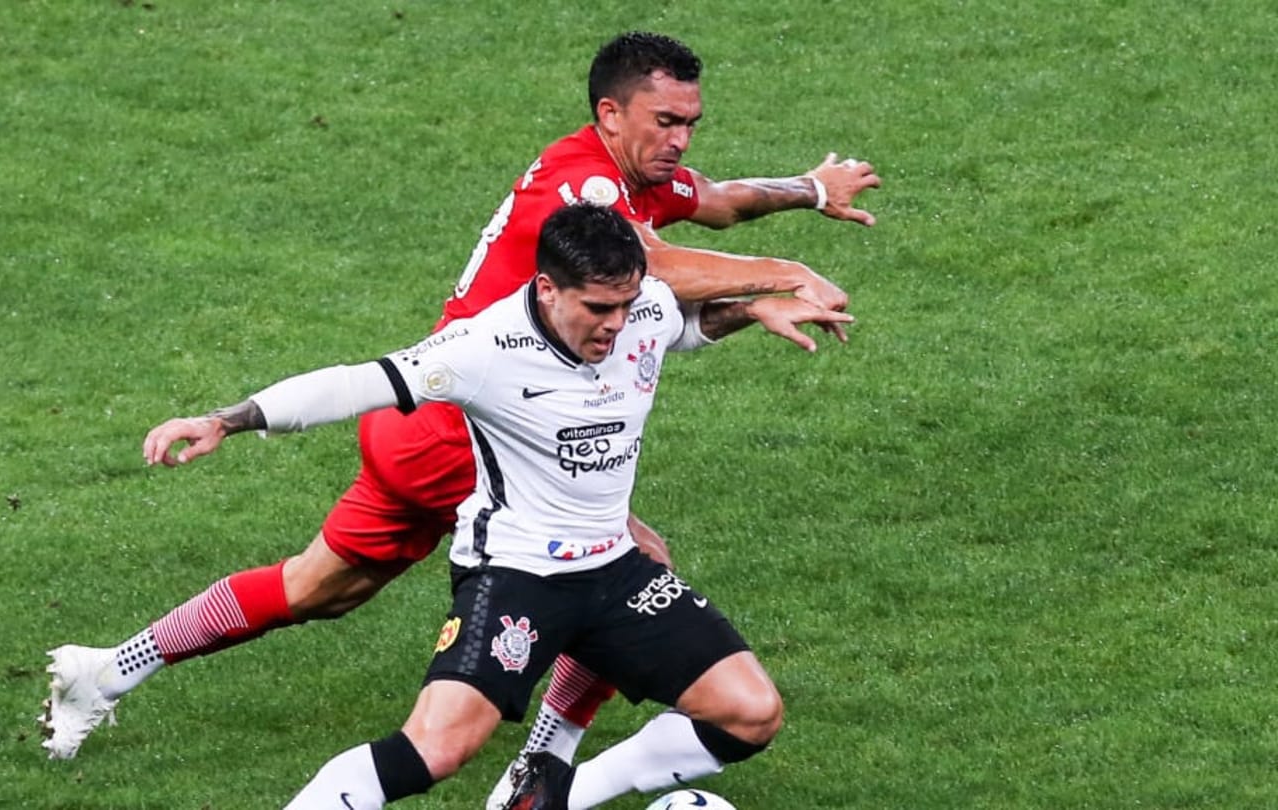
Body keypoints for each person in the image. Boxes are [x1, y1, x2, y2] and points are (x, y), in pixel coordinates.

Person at [39, 30, 880, 762]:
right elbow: (652, 268)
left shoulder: (628, 176)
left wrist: (809, 190)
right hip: (472, 429)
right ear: (610, 113)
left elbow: (724, 203)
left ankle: (106, 669)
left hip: (423, 421)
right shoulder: (583, 190)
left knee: (318, 588)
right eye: (666, 122)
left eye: (690, 122)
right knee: (629, 565)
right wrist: (789, 275)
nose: (680, 138)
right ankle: (539, 772)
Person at [143, 204, 854, 808]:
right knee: (437, 748)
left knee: (751, 714)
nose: (616, 326)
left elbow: (681, 327)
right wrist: (225, 420)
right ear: (547, 289)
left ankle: (557, 792)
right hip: (517, 573)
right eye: (598, 310)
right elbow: (353, 384)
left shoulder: (641, 310)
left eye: (627, 305)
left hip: (615, 569)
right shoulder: (485, 347)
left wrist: (754, 308)